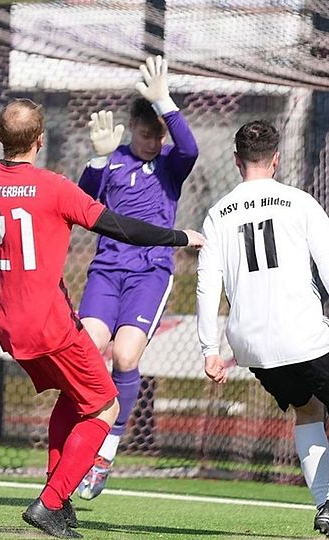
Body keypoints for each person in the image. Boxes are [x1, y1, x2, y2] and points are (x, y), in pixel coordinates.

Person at [0, 98, 204, 538]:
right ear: (40, 140)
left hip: (6, 326)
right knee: (105, 405)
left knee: (75, 399)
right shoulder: (52, 186)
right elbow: (115, 225)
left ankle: (60, 496)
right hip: (50, 324)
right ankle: (50, 504)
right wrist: (177, 236)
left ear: (0, 139)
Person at [195, 120, 329, 540]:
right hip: (303, 335)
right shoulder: (299, 202)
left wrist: (209, 349)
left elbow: (207, 284)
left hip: (251, 346)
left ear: (237, 161)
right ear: (276, 159)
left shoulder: (218, 213)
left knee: (308, 410)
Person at [75, 55, 199, 499]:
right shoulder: (112, 160)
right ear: (131, 126)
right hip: (106, 273)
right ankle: (81, 440)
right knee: (86, 350)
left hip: (149, 274)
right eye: (146, 134)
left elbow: (191, 150)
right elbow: (82, 203)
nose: (152, 142)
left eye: (158, 135)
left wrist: (165, 102)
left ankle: (106, 449)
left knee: (125, 357)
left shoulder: (169, 163)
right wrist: (96, 158)